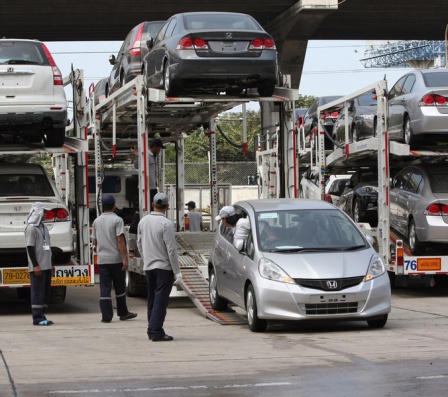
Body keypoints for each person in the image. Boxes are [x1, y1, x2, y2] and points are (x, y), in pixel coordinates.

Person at [137, 192, 182, 342]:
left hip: (149, 267)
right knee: (160, 300)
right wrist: (177, 271)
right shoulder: (166, 223)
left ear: (152, 204)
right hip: (163, 267)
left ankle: (152, 328)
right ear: (167, 206)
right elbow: (171, 249)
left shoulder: (143, 221)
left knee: (152, 299)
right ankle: (156, 331)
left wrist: (146, 259)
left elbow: (139, 243)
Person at [91, 194, 137, 323]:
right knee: (120, 287)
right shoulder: (117, 220)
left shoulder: (96, 221)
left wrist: (98, 250)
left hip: (102, 260)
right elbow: (120, 240)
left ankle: (106, 316)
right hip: (115, 259)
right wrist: (125, 258)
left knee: (105, 288)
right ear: (114, 206)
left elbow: (95, 241)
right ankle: (123, 313)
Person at [25, 202, 54, 326]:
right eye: (44, 212)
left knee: (45, 292)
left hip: (46, 266)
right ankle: (37, 318)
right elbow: (30, 248)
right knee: (37, 292)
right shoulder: (31, 229)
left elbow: (48, 246)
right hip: (38, 267)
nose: (46, 214)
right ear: (38, 213)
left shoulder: (43, 227)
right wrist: (35, 265)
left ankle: (42, 314)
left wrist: (51, 264)